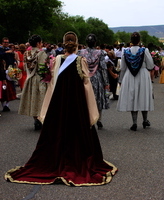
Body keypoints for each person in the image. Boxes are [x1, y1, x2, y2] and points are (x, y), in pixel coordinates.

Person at [5, 31, 117, 186]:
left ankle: (54, 157)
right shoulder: (80, 60)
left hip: (59, 100)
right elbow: (86, 83)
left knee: (57, 126)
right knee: (78, 128)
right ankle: (77, 157)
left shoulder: (57, 59)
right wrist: (90, 106)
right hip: (76, 102)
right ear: (76, 44)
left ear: (64, 44)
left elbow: (52, 80)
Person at [117, 32, 154, 131]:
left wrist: (120, 80)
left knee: (132, 98)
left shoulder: (125, 51)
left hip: (130, 75)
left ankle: (134, 122)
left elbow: (123, 67)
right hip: (143, 74)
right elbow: (151, 65)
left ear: (131, 41)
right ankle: (145, 120)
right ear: (139, 40)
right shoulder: (144, 50)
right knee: (143, 96)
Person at [79, 34, 110, 130]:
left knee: (86, 98)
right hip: (97, 77)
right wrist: (106, 82)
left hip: (85, 77)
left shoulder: (81, 53)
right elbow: (103, 68)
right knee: (98, 99)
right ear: (95, 42)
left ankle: (87, 119)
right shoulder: (100, 53)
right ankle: (98, 119)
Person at [18, 34, 48, 130]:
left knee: (33, 99)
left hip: (30, 79)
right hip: (39, 79)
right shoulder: (41, 53)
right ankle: (41, 119)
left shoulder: (27, 54)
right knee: (41, 99)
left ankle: (35, 120)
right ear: (38, 43)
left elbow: (24, 67)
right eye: (41, 42)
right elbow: (43, 68)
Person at [0, 37, 17, 112]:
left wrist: (14, 62)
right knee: (3, 89)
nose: (6, 44)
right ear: (2, 42)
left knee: (11, 88)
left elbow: (12, 59)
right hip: (2, 71)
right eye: (5, 42)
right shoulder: (1, 50)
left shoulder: (9, 50)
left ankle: (7, 105)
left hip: (10, 71)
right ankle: (3, 105)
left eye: (7, 42)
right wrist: (5, 53)